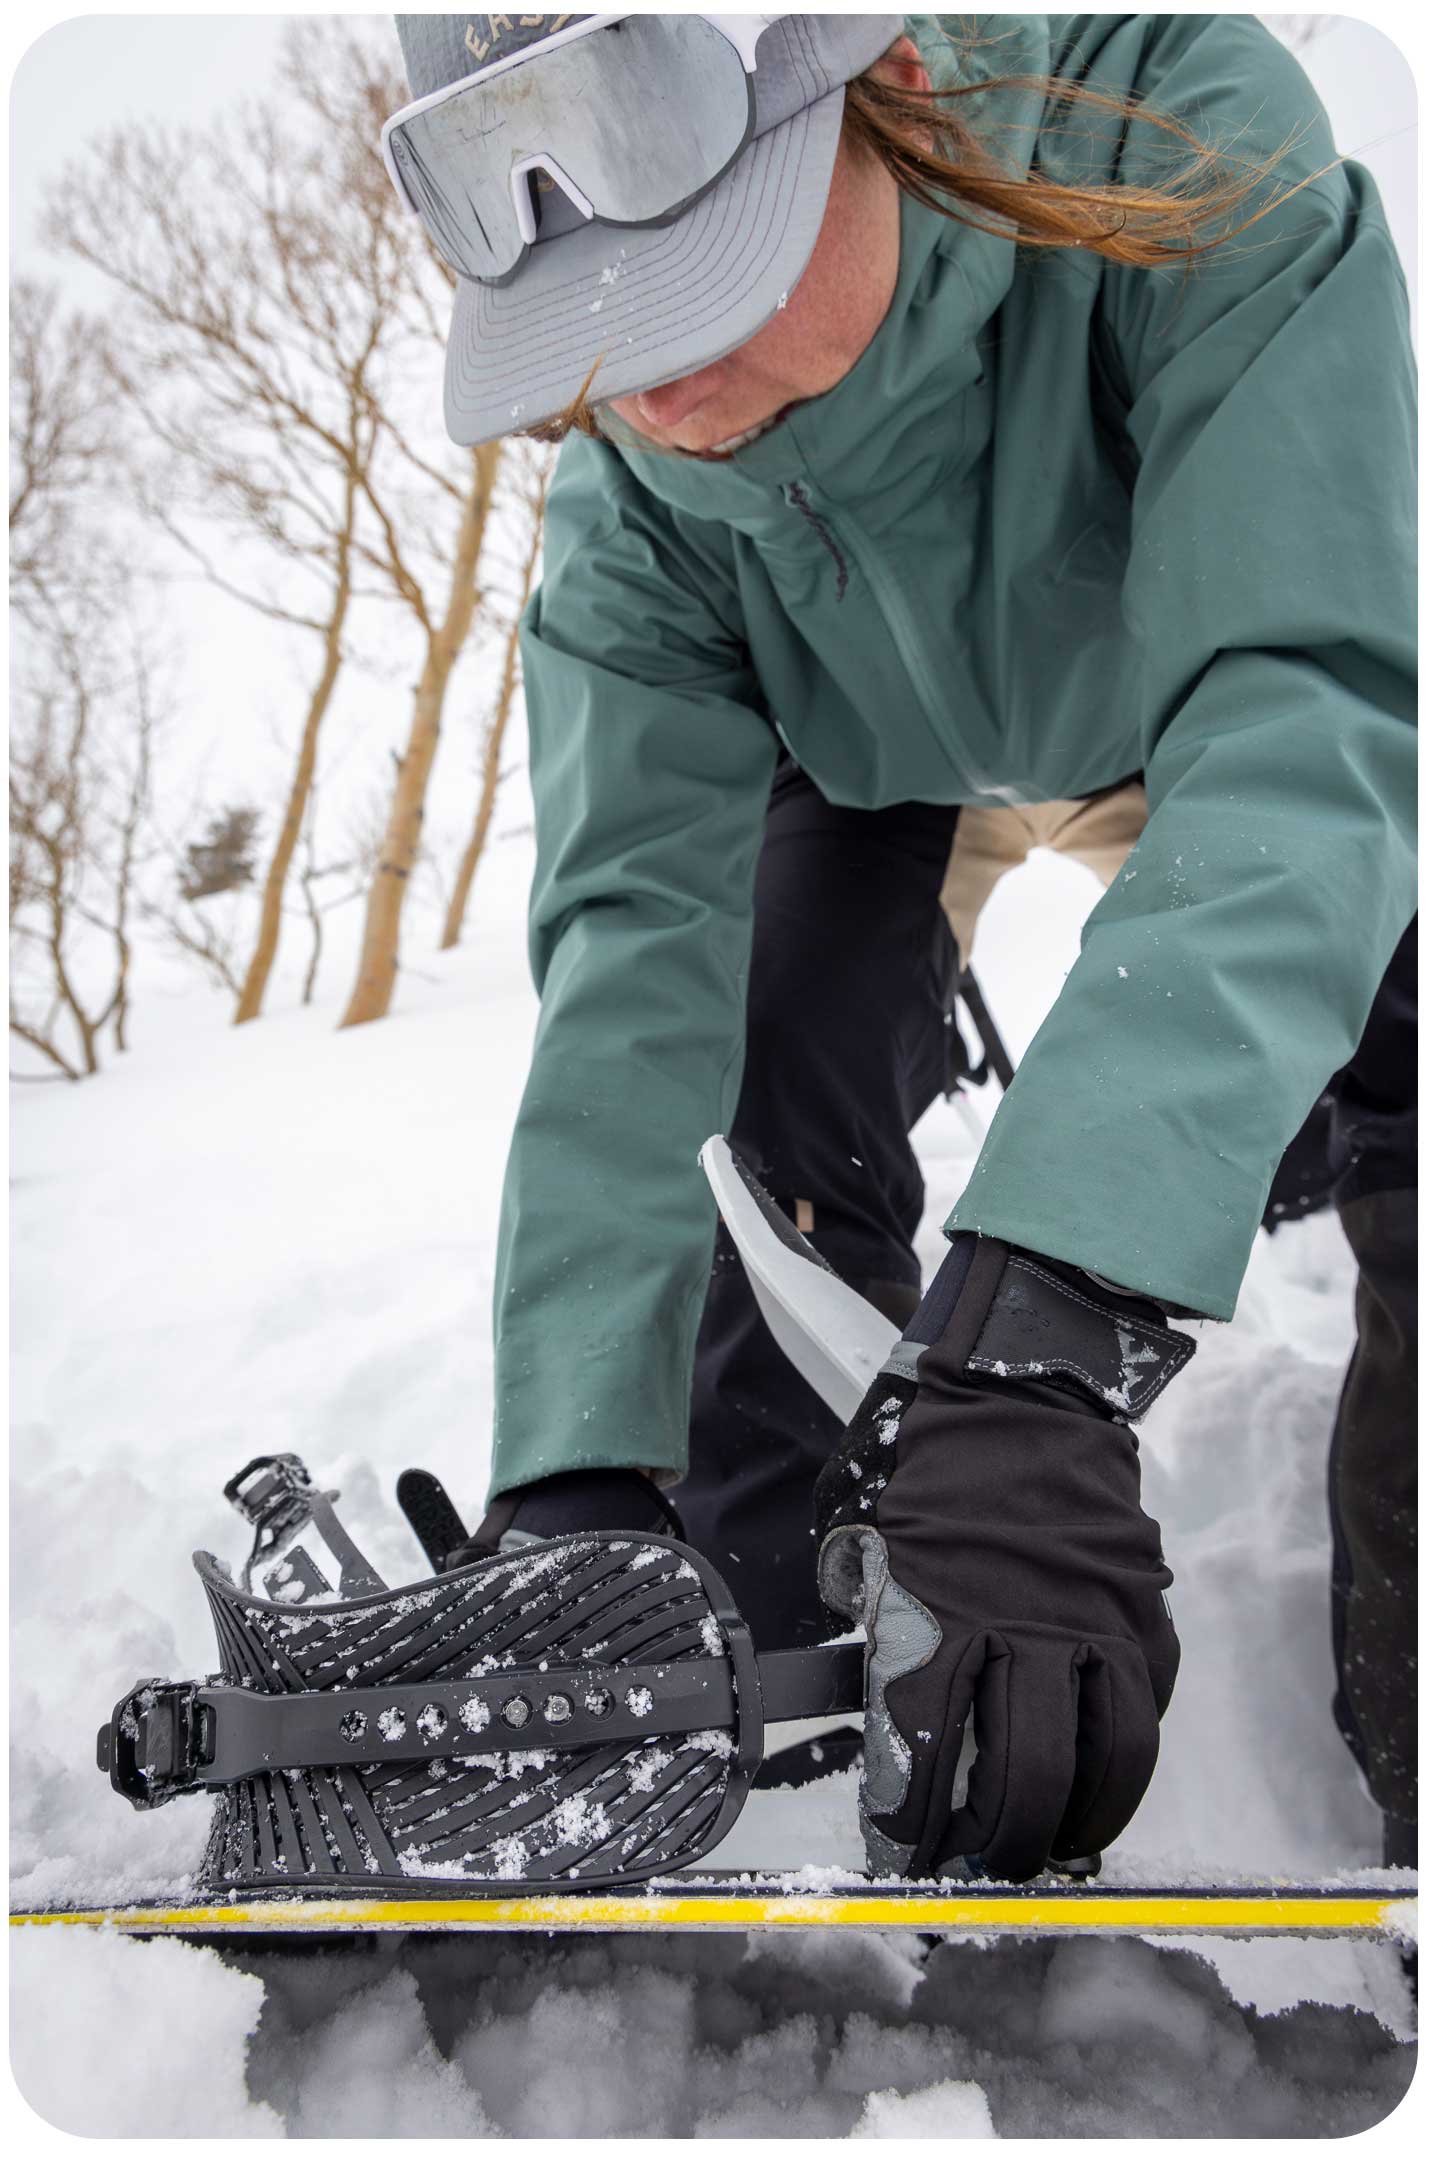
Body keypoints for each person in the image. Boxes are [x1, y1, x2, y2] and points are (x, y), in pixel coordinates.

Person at [384, 14, 1416, 1880]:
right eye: (587, 334)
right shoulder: (632, 506)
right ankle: (775, 1668)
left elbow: (1291, 709)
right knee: (759, 1112)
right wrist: (577, 1478)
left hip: (1191, 700)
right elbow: (638, 961)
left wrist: (1049, 1334)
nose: (646, 387)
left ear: (900, 90)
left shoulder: (1175, 131)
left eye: (691, 292)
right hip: (859, 761)